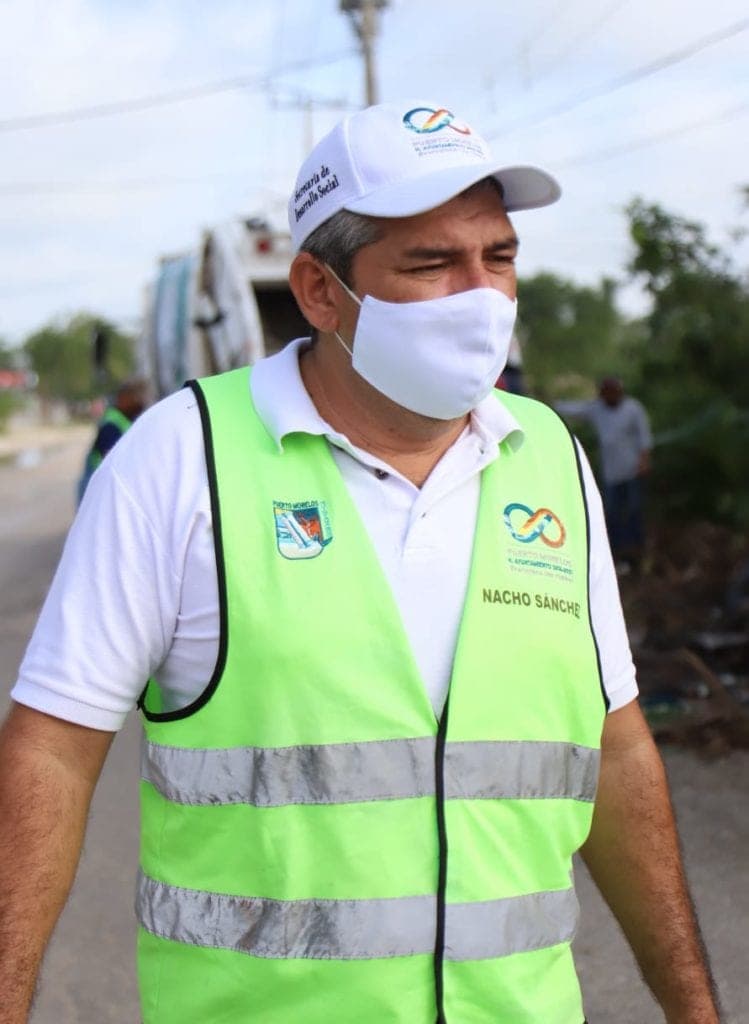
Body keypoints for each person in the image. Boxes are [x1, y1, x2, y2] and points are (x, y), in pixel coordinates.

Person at [0, 101, 719, 1024]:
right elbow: (51, 755)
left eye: (498, 258)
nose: (481, 297)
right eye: (430, 264)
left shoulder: (547, 455)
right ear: (319, 290)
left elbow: (615, 750)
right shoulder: (183, 457)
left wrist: (695, 1010)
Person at [556, 377, 653, 569]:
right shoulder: (597, 409)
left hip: (631, 470)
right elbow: (575, 409)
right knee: (612, 514)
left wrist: (644, 461)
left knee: (634, 512)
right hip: (611, 474)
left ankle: (638, 554)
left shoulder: (633, 409)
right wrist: (550, 404)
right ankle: (617, 556)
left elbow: (645, 437)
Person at [76, 377, 149, 503]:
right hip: (98, 487)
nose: (140, 401)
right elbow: (113, 460)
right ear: (123, 398)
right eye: (136, 396)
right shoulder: (112, 424)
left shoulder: (126, 420)